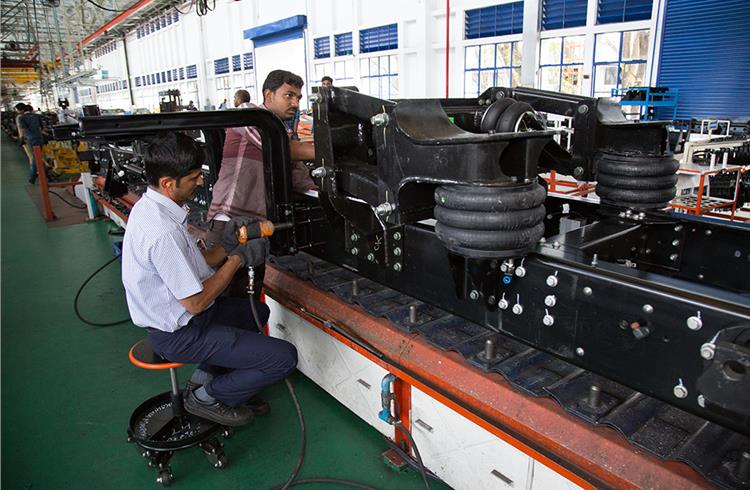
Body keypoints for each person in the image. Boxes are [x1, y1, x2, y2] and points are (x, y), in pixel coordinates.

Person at [121, 132, 298, 426]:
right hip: (180, 332)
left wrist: (228, 245)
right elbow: (196, 301)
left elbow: (199, 262)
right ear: (168, 183)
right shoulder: (162, 232)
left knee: (258, 313)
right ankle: (207, 398)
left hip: (188, 317)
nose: (201, 182)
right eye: (193, 178)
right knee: (284, 358)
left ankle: (210, 381)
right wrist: (239, 259)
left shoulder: (157, 208)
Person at [15, 103, 44, 184]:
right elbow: (42, 127)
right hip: (39, 138)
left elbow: (23, 129)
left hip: (30, 139)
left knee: (35, 157)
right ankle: (41, 173)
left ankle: (33, 175)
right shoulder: (37, 116)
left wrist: (21, 138)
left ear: (22, 110)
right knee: (38, 156)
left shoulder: (21, 118)